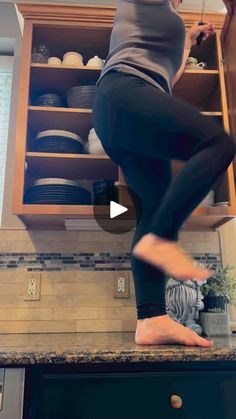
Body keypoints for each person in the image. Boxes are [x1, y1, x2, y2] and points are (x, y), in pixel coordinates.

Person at [92, 0, 236, 347]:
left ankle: (152, 319)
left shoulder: (168, 25)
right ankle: (163, 239)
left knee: (152, 210)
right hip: (124, 93)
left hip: (131, 113)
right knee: (217, 143)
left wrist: (188, 40)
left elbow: (165, 78)